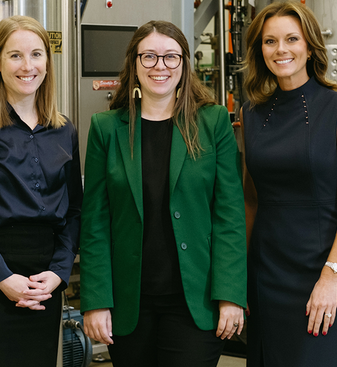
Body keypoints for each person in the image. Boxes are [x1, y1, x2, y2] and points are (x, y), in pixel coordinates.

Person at [79, 20, 247, 367]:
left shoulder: (212, 122)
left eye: (171, 57)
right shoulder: (106, 129)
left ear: (185, 64)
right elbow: (95, 222)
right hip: (129, 304)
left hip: (196, 302)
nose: (160, 66)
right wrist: (96, 300)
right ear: (134, 63)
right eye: (150, 57)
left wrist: (230, 295)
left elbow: (229, 214)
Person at [0, 15, 82, 367]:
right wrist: (3, 278)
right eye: (15, 56)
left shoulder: (64, 131)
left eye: (37, 55)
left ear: (48, 64)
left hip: (44, 281)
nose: (28, 66)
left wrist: (58, 272)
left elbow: (73, 210)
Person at [241, 0, 337, 366]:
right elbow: (251, 199)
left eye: (291, 39)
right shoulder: (250, 114)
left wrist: (330, 277)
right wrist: (239, 275)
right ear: (259, 50)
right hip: (267, 271)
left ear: (309, 47)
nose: (281, 50)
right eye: (270, 41)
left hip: (322, 267)